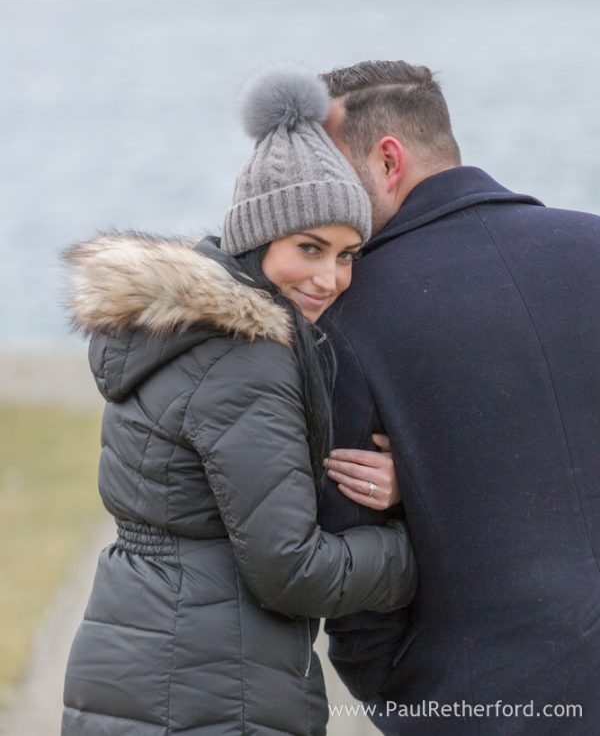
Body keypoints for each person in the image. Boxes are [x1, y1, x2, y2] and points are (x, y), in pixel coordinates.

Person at [60, 65, 417, 736]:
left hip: (142, 654)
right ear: (257, 240)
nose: (329, 278)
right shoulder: (246, 359)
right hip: (210, 685)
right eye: (309, 248)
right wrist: (417, 545)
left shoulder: (179, 332)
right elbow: (293, 570)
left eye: (346, 255)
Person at [317, 60, 600, 734]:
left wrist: (400, 689)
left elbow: (357, 578)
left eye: (328, 174)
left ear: (388, 161)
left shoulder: (350, 317)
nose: (320, 197)